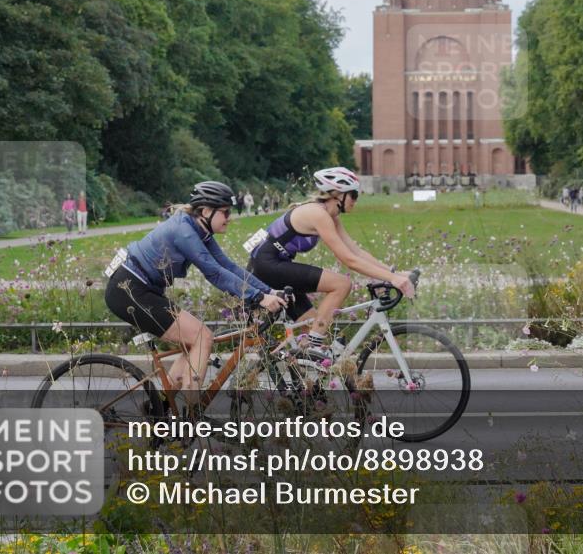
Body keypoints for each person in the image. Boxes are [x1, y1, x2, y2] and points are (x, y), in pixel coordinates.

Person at [104, 181, 286, 396]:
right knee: (202, 337)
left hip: (143, 289)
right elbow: (213, 273)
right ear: (207, 211)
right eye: (226, 212)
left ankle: (163, 407)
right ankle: (192, 416)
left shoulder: (199, 228)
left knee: (194, 343)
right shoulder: (184, 231)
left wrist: (269, 292)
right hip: (129, 290)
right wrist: (257, 297)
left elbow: (227, 266)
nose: (230, 217)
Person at [247, 167, 415, 350]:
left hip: (274, 264)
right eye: (354, 195)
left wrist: (392, 273)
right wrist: (391, 279)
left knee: (311, 328)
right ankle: (313, 347)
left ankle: (304, 362)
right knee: (341, 284)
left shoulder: (330, 215)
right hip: (267, 265)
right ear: (338, 195)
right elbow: (348, 260)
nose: (356, 201)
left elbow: (356, 251)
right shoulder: (318, 214)